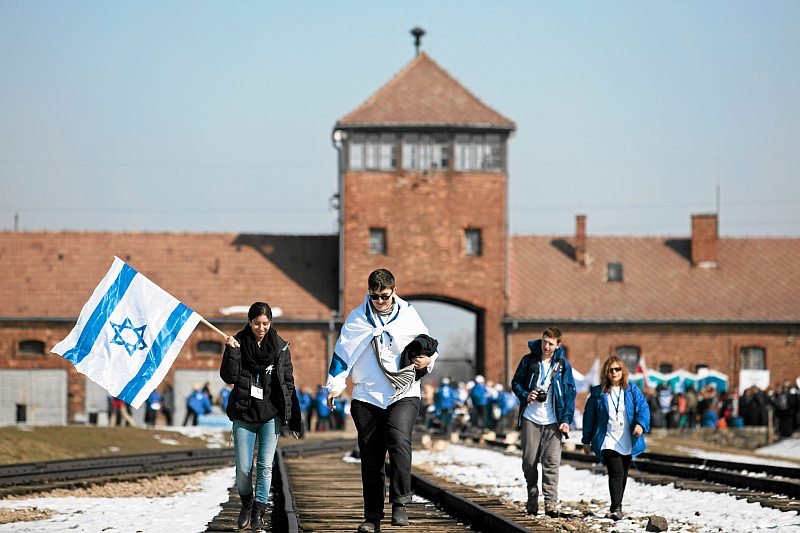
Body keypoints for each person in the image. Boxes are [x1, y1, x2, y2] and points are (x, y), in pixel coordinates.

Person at [325, 268, 438, 532]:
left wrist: (427, 361)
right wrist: (334, 387)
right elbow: (342, 356)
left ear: (393, 292)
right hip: (367, 396)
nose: (380, 302)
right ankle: (372, 517)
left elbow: (431, 347)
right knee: (371, 457)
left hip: (403, 392)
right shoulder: (357, 319)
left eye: (385, 296)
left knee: (399, 440)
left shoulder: (408, 314)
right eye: (374, 297)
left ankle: (400, 501)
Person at [221, 301, 302, 533]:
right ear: (249, 322)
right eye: (257, 323)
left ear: (271, 323)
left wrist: (294, 419)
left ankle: (258, 512)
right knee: (244, 469)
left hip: (270, 416)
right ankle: (246, 503)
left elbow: (288, 385)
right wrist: (231, 352)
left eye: (265, 323)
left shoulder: (279, 348)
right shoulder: (238, 343)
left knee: (265, 466)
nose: (261, 327)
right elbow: (229, 376)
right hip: (244, 414)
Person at [511, 326, 576, 518]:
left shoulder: (563, 366)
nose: (546, 346)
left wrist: (566, 419)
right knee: (529, 461)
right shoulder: (529, 360)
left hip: (553, 421)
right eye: (544, 341)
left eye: (550, 343)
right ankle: (532, 494)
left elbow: (570, 394)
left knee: (551, 463)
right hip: (531, 417)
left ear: (558, 345)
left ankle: (550, 503)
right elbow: (515, 383)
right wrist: (526, 394)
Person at [581, 355, 650, 521]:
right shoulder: (598, 393)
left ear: (622, 371)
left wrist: (640, 424)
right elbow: (589, 417)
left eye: (617, 369)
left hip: (627, 438)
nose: (614, 372)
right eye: (611, 370)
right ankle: (616, 507)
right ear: (606, 372)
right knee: (616, 472)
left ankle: (616, 505)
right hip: (607, 439)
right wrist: (586, 440)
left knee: (623, 473)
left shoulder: (632, 389)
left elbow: (643, 408)